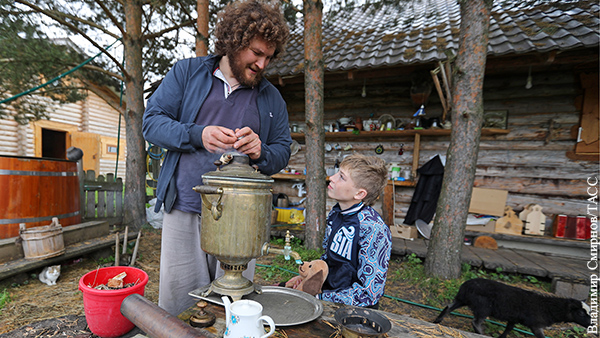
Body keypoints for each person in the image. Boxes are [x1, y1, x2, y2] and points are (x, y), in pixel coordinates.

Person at [142, 0, 291, 316]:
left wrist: (261, 150)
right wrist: (198, 134)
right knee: (180, 307)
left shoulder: (271, 98)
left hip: (242, 220)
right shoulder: (187, 73)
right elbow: (152, 122)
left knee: (233, 309)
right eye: (256, 53)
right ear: (234, 42)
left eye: (269, 57)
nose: (263, 64)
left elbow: (282, 151)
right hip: (185, 207)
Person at [290, 153, 392, 308]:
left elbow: (369, 294)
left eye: (342, 177)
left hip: (352, 310)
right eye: (338, 172)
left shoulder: (373, 229)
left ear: (359, 194)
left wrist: (320, 297)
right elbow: (328, 257)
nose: (332, 177)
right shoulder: (335, 213)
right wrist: (309, 279)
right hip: (325, 291)